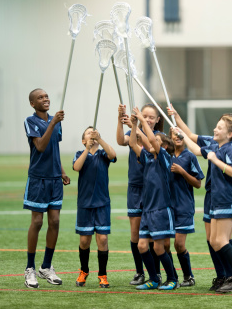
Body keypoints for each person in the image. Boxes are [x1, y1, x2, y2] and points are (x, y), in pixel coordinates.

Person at [175, 115, 232, 293]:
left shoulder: (231, 149)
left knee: (221, 240)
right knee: (214, 241)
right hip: (215, 200)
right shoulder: (215, 146)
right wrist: (182, 135)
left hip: (226, 199)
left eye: (219, 128)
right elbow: (197, 149)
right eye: (216, 126)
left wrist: (216, 161)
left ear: (229, 134)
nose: (215, 129)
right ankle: (228, 276)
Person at [23, 88, 70, 289]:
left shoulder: (55, 122)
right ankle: (30, 269)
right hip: (38, 179)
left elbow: (54, 149)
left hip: (54, 179)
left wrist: (61, 171)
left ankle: (46, 266)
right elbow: (40, 146)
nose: (45, 99)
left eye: (46, 96)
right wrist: (52, 123)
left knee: (55, 221)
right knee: (37, 221)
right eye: (40, 97)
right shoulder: (30, 121)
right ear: (33, 103)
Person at [129, 107, 178, 290]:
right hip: (147, 210)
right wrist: (135, 126)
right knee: (142, 246)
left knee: (159, 248)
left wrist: (142, 119)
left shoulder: (164, 158)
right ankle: (154, 279)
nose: (151, 142)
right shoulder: (148, 158)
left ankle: (172, 278)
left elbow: (152, 140)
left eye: (156, 141)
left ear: (163, 146)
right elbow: (134, 144)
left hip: (160, 209)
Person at [116, 103, 164, 285]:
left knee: (153, 234)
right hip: (135, 187)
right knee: (135, 233)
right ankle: (139, 272)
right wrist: (120, 119)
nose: (149, 119)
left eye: (152, 117)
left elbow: (150, 145)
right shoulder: (133, 131)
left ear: (157, 120)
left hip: (153, 190)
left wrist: (136, 126)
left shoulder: (159, 137)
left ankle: (156, 273)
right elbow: (121, 141)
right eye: (145, 115)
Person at [72, 127, 117, 288]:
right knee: (84, 241)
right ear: (84, 140)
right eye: (89, 133)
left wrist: (101, 140)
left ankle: (103, 274)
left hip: (102, 203)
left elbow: (113, 155)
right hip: (84, 204)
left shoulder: (103, 154)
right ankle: (84, 270)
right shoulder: (80, 154)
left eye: (95, 132)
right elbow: (77, 167)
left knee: (103, 239)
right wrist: (87, 149)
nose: (92, 133)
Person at [168, 129, 204, 287]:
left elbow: (198, 183)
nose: (178, 137)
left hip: (184, 206)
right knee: (163, 245)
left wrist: (182, 172)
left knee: (179, 244)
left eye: (180, 134)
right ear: (170, 137)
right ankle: (171, 277)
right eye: (174, 134)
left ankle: (188, 276)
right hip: (166, 207)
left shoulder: (190, 156)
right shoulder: (165, 155)